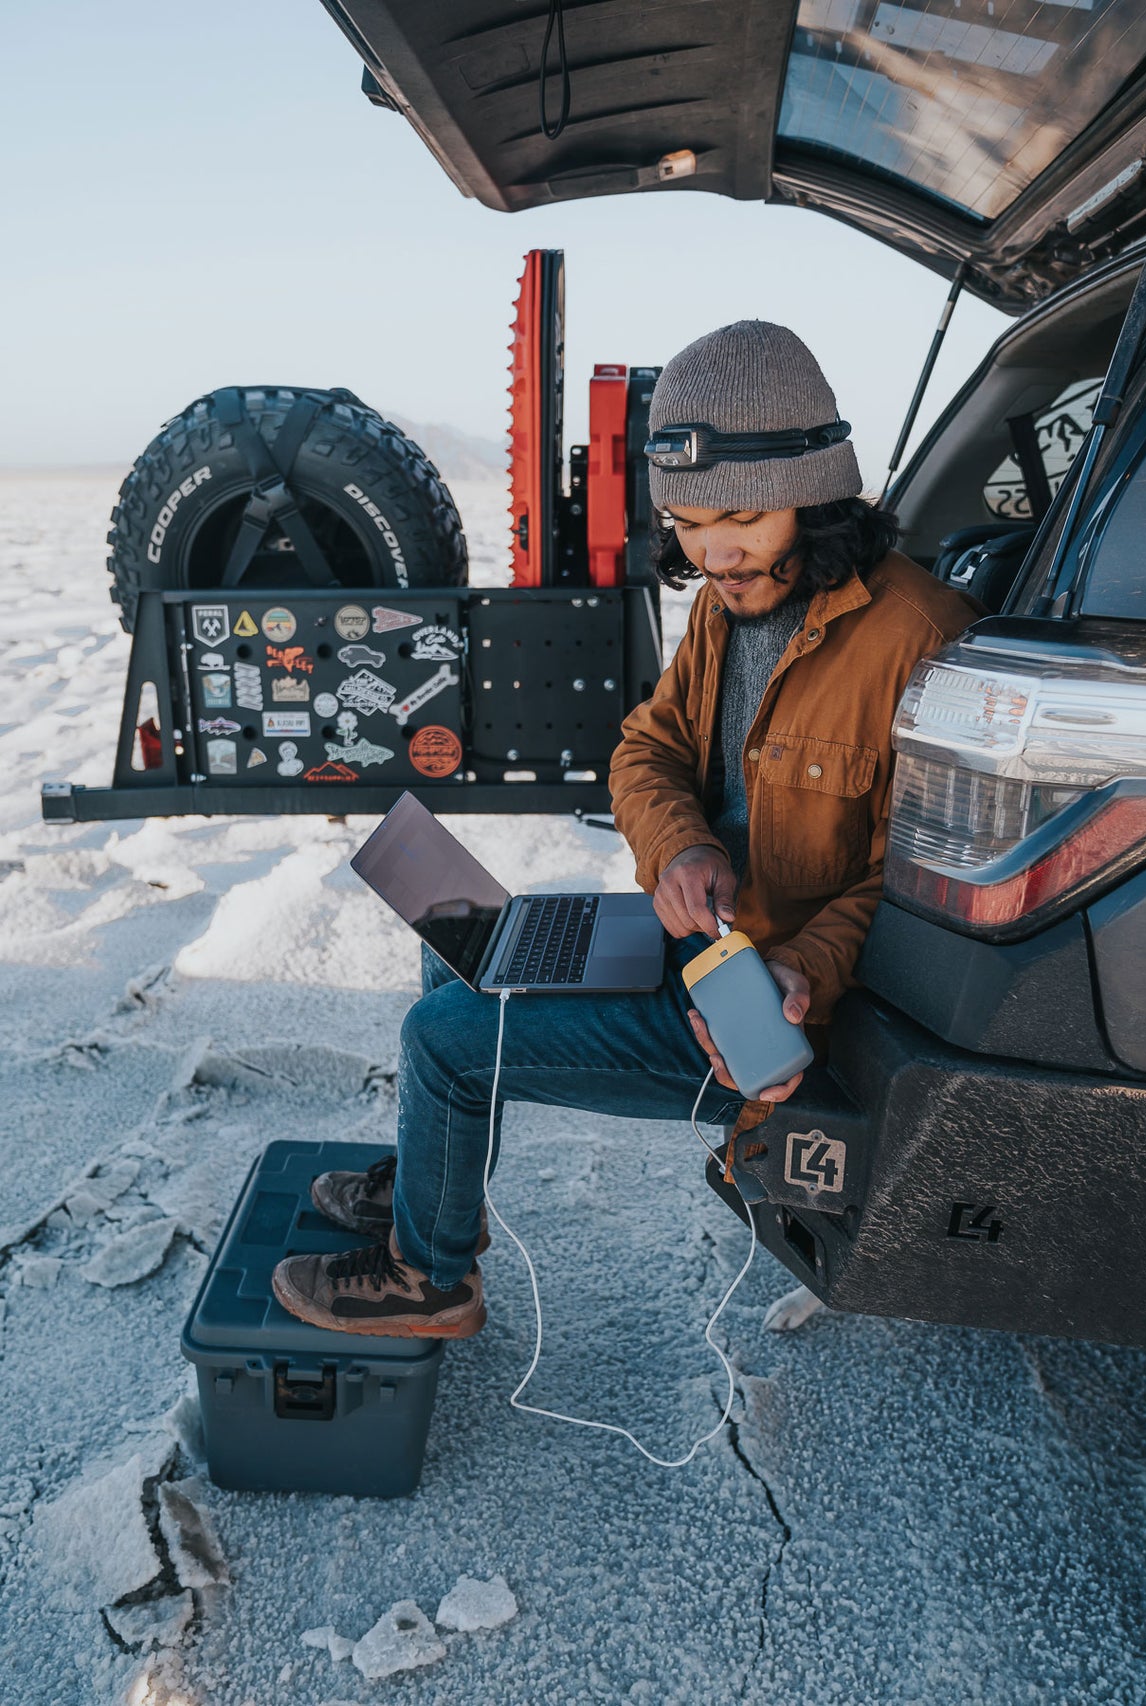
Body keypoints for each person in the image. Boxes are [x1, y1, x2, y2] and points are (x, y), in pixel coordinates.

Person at [271, 321, 981, 1338]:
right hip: (704, 938)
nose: (713, 553)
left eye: (737, 517)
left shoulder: (918, 638)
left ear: (815, 492)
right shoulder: (732, 607)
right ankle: (427, 1190)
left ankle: (429, 1281)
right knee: (459, 965)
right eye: (688, 524)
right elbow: (646, 747)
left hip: (766, 1011)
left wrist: (803, 977)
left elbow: (914, 886)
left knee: (442, 1039)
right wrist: (677, 847)